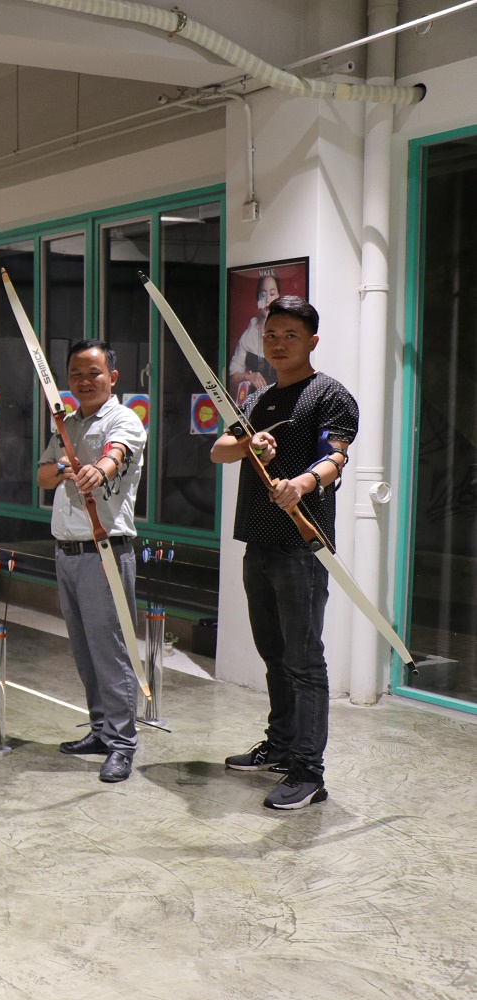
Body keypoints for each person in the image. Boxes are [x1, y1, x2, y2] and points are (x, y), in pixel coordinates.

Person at [213, 296, 355, 811]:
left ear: (311, 341)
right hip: (259, 542)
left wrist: (302, 483)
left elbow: (336, 458)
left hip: (300, 545)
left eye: (290, 335)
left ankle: (309, 771)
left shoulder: (330, 395)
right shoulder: (259, 399)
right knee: (274, 654)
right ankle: (281, 744)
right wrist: (252, 446)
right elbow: (220, 450)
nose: (277, 343)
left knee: (304, 659)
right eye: (271, 334)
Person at [37, 339, 147, 784]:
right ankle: (101, 730)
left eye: (94, 372)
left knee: (111, 651)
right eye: (76, 374)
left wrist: (97, 469)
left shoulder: (124, 420)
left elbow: (115, 455)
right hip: (66, 552)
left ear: (112, 377)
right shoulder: (65, 424)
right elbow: (43, 475)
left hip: (104, 551)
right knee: (85, 652)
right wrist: (66, 467)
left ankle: (122, 743)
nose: (84, 381)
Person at [228, 272, 281, 400]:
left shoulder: (287, 332)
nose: (267, 300)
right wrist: (248, 376)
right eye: (263, 294)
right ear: (258, 299)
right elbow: (232, 377)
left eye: (272, 294)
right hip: (254, 404)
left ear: (278, 297)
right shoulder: (248, 336)